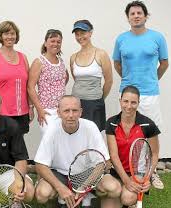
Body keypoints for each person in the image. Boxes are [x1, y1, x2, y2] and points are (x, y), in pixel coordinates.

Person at [112, 1, 168, 189]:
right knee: (126, 131)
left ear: (145, 16)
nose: (136, 16)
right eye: (132, 13)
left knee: (149, 132)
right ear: (128, 17)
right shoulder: (121, 39)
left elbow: (164, 63)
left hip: (150, 92)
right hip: (127, 91)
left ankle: (150, 174)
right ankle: (129, 170)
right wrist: (129, 81)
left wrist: (152, 79)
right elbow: (117, 64)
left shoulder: (157, 37)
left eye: (139, 13)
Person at [34, 95, 121, 208]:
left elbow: (103, 163)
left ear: (80, 112)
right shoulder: (51, 129)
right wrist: (61, 188)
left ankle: (89, 195)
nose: (71, 115)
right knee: (42, 194)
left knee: (114, 188)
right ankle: (61, 198)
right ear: (59, 113)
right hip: (60, 174)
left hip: (88, 174)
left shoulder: (91, 127)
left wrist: (83, 188)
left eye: (74, 110)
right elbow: (40, 165)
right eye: (66, 111)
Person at [106, 85, 160, 207]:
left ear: (138, 103)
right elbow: (113, 155)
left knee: (127, 198)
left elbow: (155, 154)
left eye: (133, 102)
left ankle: (128, 199)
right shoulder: (111, 122)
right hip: (116, 171)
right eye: (125, 101)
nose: (129, 106)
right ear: (120, 101)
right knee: (112, 191)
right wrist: (126, 180)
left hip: (137, 173)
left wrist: (147, 177)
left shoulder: (148, 124)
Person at [0, 20, 33, 135]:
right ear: (0, 36)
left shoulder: (23, 57)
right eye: (6, 33)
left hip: (21, 113)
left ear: (16, 36)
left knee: (18, 146)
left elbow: (28, 86)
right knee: (1, 148)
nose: (10, 37)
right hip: (1, 113)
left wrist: (30, 107)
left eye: (12, 33)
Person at [70, 20, 113, 132]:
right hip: (75, 103)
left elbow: (109, 81)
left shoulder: (101, 54)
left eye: (83, 33)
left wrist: (99, 98)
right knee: (76, 135)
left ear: (90, 33)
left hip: (94, 104)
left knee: (93, 137)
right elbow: (77, 80)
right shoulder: (73, 57)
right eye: (77, 34)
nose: (80, 37)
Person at [27, 29, 69, 135]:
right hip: (47, 111)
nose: (56, 44)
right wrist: (39, 109)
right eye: (52, 41)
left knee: (61, 142)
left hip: (62, 110)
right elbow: (30, 87)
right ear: (45, 43)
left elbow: (64, 79)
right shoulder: (39, 62)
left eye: (58, 42)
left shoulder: (61, 61)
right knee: (50, 141)